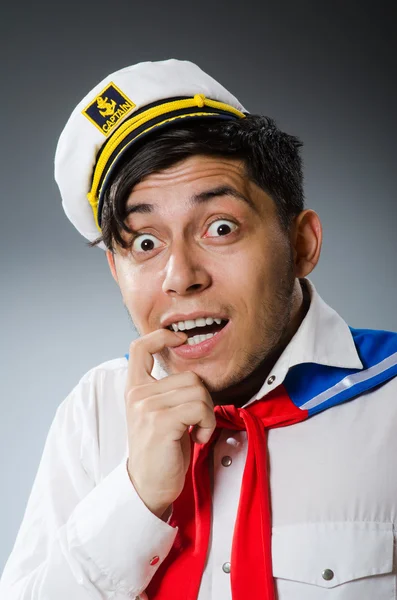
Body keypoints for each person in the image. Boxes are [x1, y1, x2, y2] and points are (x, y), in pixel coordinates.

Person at [1, 58, 397, 600]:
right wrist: (134, 495)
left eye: (220, 227)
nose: (180, 277)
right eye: (145, 242)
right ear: (117, 272)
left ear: (302, 244)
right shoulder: (95, 412)